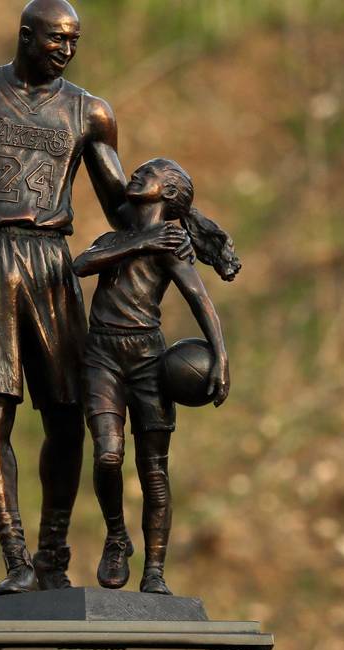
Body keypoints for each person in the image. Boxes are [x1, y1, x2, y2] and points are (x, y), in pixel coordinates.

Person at [0, 0, 178, 594]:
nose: (65, 49)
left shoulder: (89, 112)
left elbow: (121, 205)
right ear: (25, 35)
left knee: (67, 411)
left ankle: (53, 551)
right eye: (56, 38)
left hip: (51, 260)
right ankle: (15, 555)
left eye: (74, 41)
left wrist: (187, 221)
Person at [73, 158, 241, 595]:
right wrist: (142, 240)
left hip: (147, 359)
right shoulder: (119, 238)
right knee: (107, 456)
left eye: (148, 174)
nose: (135, 175)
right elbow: (81, 264)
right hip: (102, 356)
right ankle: (116, 536)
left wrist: (221, 357)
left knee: (153, 469)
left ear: (167, 195)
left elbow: (199, 299)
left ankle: (155, 570)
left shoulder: (171, 245)